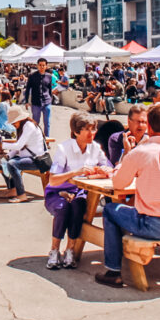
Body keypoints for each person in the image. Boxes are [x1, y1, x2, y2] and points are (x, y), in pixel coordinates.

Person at [95, 104, 160, 287]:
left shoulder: (140, 153)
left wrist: (126, 156)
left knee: (110, 209)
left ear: (149, 126)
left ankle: (114, 270)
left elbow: (118, 184)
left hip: (154, 226)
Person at [45, 112, 112, 270]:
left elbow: (109, 167)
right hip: (57, 192)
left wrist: (103, 169)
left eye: (93, 129)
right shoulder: (64, 148)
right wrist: (76, 172)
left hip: (80, 192)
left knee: (78, 206)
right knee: (63, 208)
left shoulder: (95, 148)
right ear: (76, 132)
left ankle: (70, 249)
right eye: (87, 129)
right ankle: (54, 249)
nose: (91, 133)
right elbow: (53, 179)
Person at [0, 105, 46, 203]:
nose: (13, 125)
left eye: (14, 122)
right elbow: (20, 147)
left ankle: (21, 194)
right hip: (30, 157)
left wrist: (0, 144)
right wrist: (8, 156)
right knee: (4, 162)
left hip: (37, 160)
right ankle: (13, 189)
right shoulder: (24, 126)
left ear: (20, 119)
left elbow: (18, 146)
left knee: (12, 164)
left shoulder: (29, 126)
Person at [24, 58, 54, 137]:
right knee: (35, 123)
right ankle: (36, 139)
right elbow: (28, 89)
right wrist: (26, 101)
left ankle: (46, 139)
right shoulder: (32, 76)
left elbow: (50, 89)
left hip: (47, 102)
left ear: (46, 66)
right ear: (37, 65)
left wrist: (50, 99)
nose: (42, 67)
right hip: (36, 103)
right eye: (40, 65)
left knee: (47, 123)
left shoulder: (49, 76)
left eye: (43, 65)